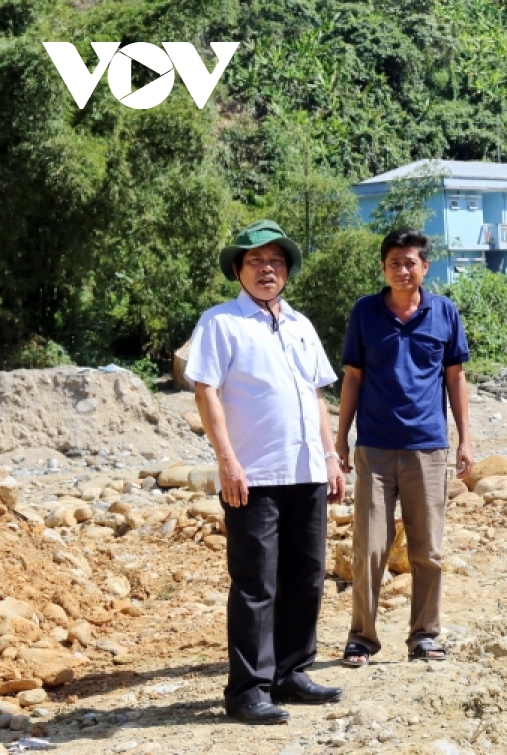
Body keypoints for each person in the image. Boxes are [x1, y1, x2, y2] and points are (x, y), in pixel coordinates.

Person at [186, 220, 345, 725]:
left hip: (306, 472)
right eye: (255, 261)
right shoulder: (220, 322)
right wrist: (226, 459)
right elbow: (205, 391)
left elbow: (316, 396)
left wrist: (331, 456)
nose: (266, 269)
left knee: (305, 578)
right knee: (255, 584)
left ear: (288, 272)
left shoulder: (300, 325)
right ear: (238, 270)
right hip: (252, 475)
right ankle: (248, 689)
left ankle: (291, 673)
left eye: (275, 262)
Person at [335, 229, 473, 666]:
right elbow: (353, 377)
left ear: (424, 267)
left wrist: (465, 439)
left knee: (427, 549)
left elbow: (455, 378)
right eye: (393, 262)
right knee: (370, 548)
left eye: (410, 262)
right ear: (383, 268)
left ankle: (424, 636)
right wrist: (340, 438)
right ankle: (362, 637)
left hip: (427, 449)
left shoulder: (444, 313)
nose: (402, 270)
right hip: (374, 448)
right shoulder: (365, 313)